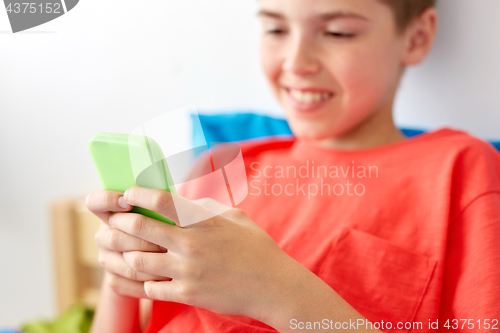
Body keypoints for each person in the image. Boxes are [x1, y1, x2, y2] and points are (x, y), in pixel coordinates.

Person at [86, 0, 500, 332]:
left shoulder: (461, 169)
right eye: (276, 29)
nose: (297, 61)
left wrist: (276, 292)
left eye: (338, 32)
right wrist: (122, 270)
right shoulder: (223, 165)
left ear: (417, 36)